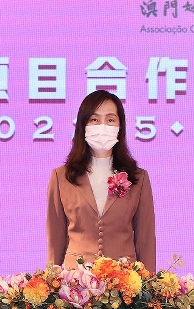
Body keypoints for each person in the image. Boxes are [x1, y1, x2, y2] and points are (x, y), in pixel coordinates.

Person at [46, 89, 157, 268]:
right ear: (83, 125)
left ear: (120, 127)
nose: (102, 126)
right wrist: (52, 279)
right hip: (75, 279)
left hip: (124, 278)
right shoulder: (61, 177)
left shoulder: (138, 178)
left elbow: (145, 241)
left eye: (110, 120)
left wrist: (150, 282)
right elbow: (55, 241)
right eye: (94, 120)